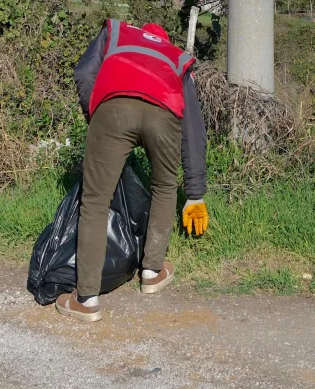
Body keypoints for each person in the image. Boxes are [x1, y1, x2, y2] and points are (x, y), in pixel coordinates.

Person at [56, 20, 208, 322]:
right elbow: (192, 126)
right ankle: (152, 272)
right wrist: (195, 193)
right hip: (163, 113)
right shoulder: (175, 56)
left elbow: (85, 73)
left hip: (115, 107)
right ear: (162, 39)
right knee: (164, 187)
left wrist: (96, 116)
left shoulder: (116, 31)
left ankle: (86, 299)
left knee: (96, 202)